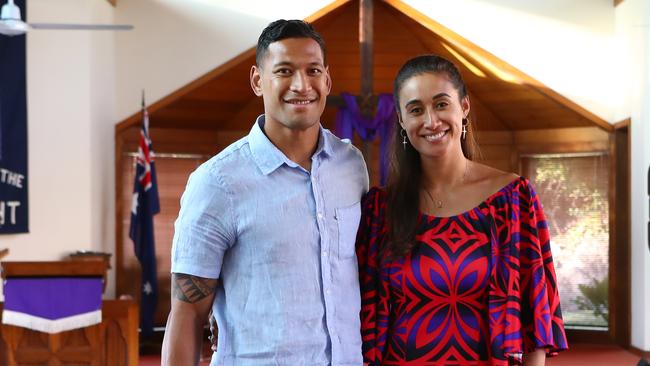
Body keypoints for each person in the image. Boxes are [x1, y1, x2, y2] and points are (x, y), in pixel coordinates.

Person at [161, 19, 368, 365]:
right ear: (258, 81)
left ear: (327, 80)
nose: (301, 85)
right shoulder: (217, 181)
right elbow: (187, 314)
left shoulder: (350, 165)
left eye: (313, 70)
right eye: (284, 71)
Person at [356, 55, 568, 365]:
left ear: (464, 107)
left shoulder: (512, 200)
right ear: (402, 120)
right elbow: (362, 316)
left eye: (441, 104)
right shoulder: (379, 210)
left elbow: (537, 318)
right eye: (416, 110)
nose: (431, 121)